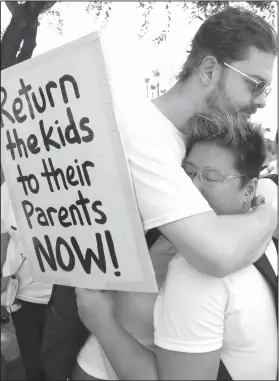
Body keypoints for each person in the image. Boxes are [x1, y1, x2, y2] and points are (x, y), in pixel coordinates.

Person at [41, 7, 278, 380]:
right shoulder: (141, 136)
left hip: (166, 348)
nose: (262, 99)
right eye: (255, 83)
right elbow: (216, 255)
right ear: (210, 70)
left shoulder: (194, 140)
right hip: (113, 361)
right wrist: (270, 209)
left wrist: (262, 187)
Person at [76, 112, 277, 380]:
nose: (191, 186)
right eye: (189, 172)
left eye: (211, 177)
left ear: (249, 190)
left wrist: (101, 322)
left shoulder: (194, 273)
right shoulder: (262, 239)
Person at [1, 181, 53, 380]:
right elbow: (4, 235)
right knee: (33, 361)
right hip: (23, 296)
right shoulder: (8, 188)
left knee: (62, 361)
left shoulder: (78, 182)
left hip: (72, 299)